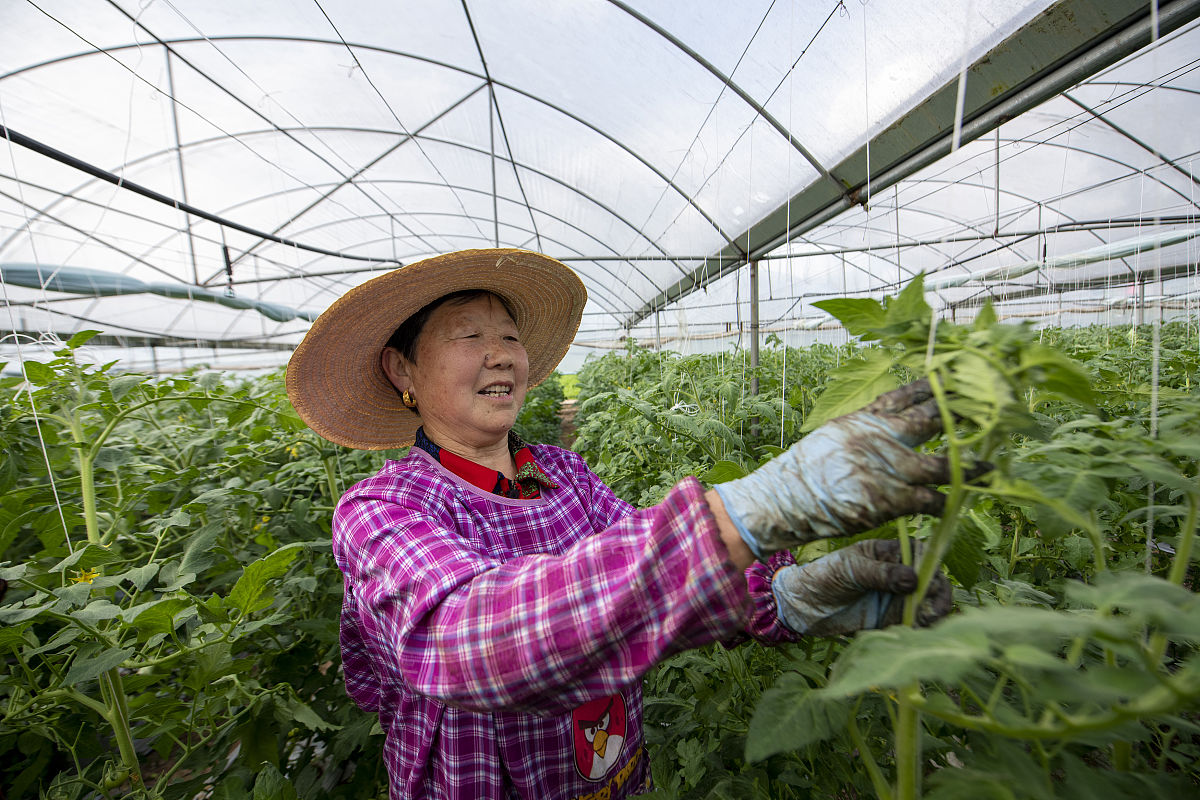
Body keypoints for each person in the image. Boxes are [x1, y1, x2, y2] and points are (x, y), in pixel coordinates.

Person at [285, 249, 952, 800]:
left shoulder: (565, 475)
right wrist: (747, 511)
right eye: (469, 336)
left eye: (510, 337)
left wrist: (791, 595)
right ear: (403, 369)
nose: (501, 355)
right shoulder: (382, 511)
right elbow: (465, 639)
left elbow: (660, 580)